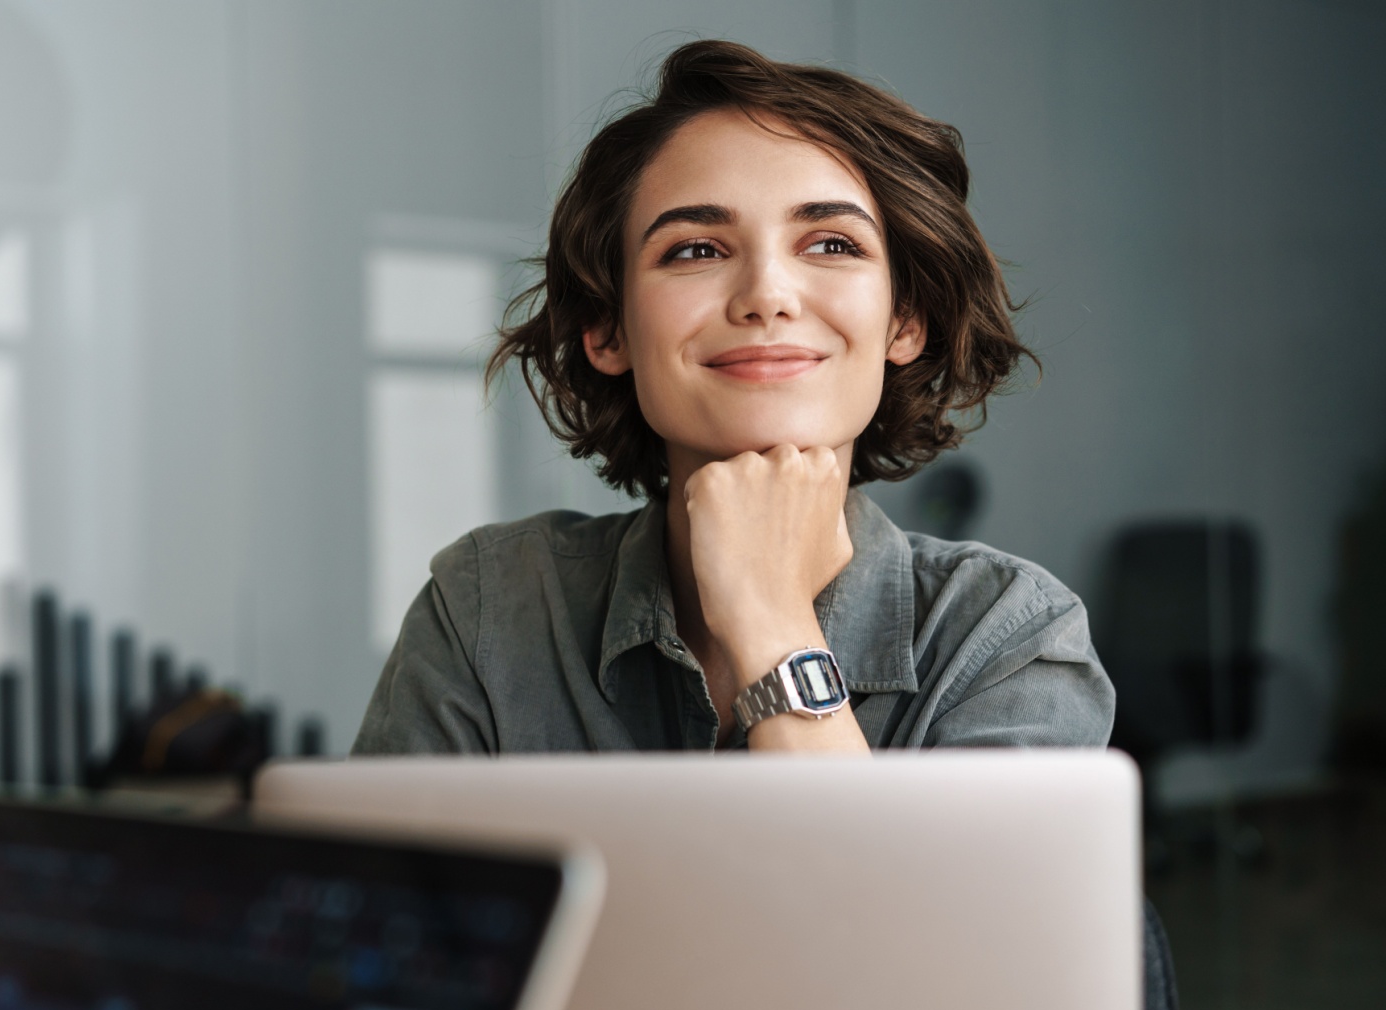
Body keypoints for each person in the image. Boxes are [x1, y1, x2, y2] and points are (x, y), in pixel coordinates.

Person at [353, 39, 1114, 757]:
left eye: (832, 245)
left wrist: (770, 621)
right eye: (695, 250)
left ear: (904, 320)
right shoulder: (486, 609)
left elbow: (898, 905)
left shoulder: (1008, 637)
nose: (766, 296)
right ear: (606, 329)